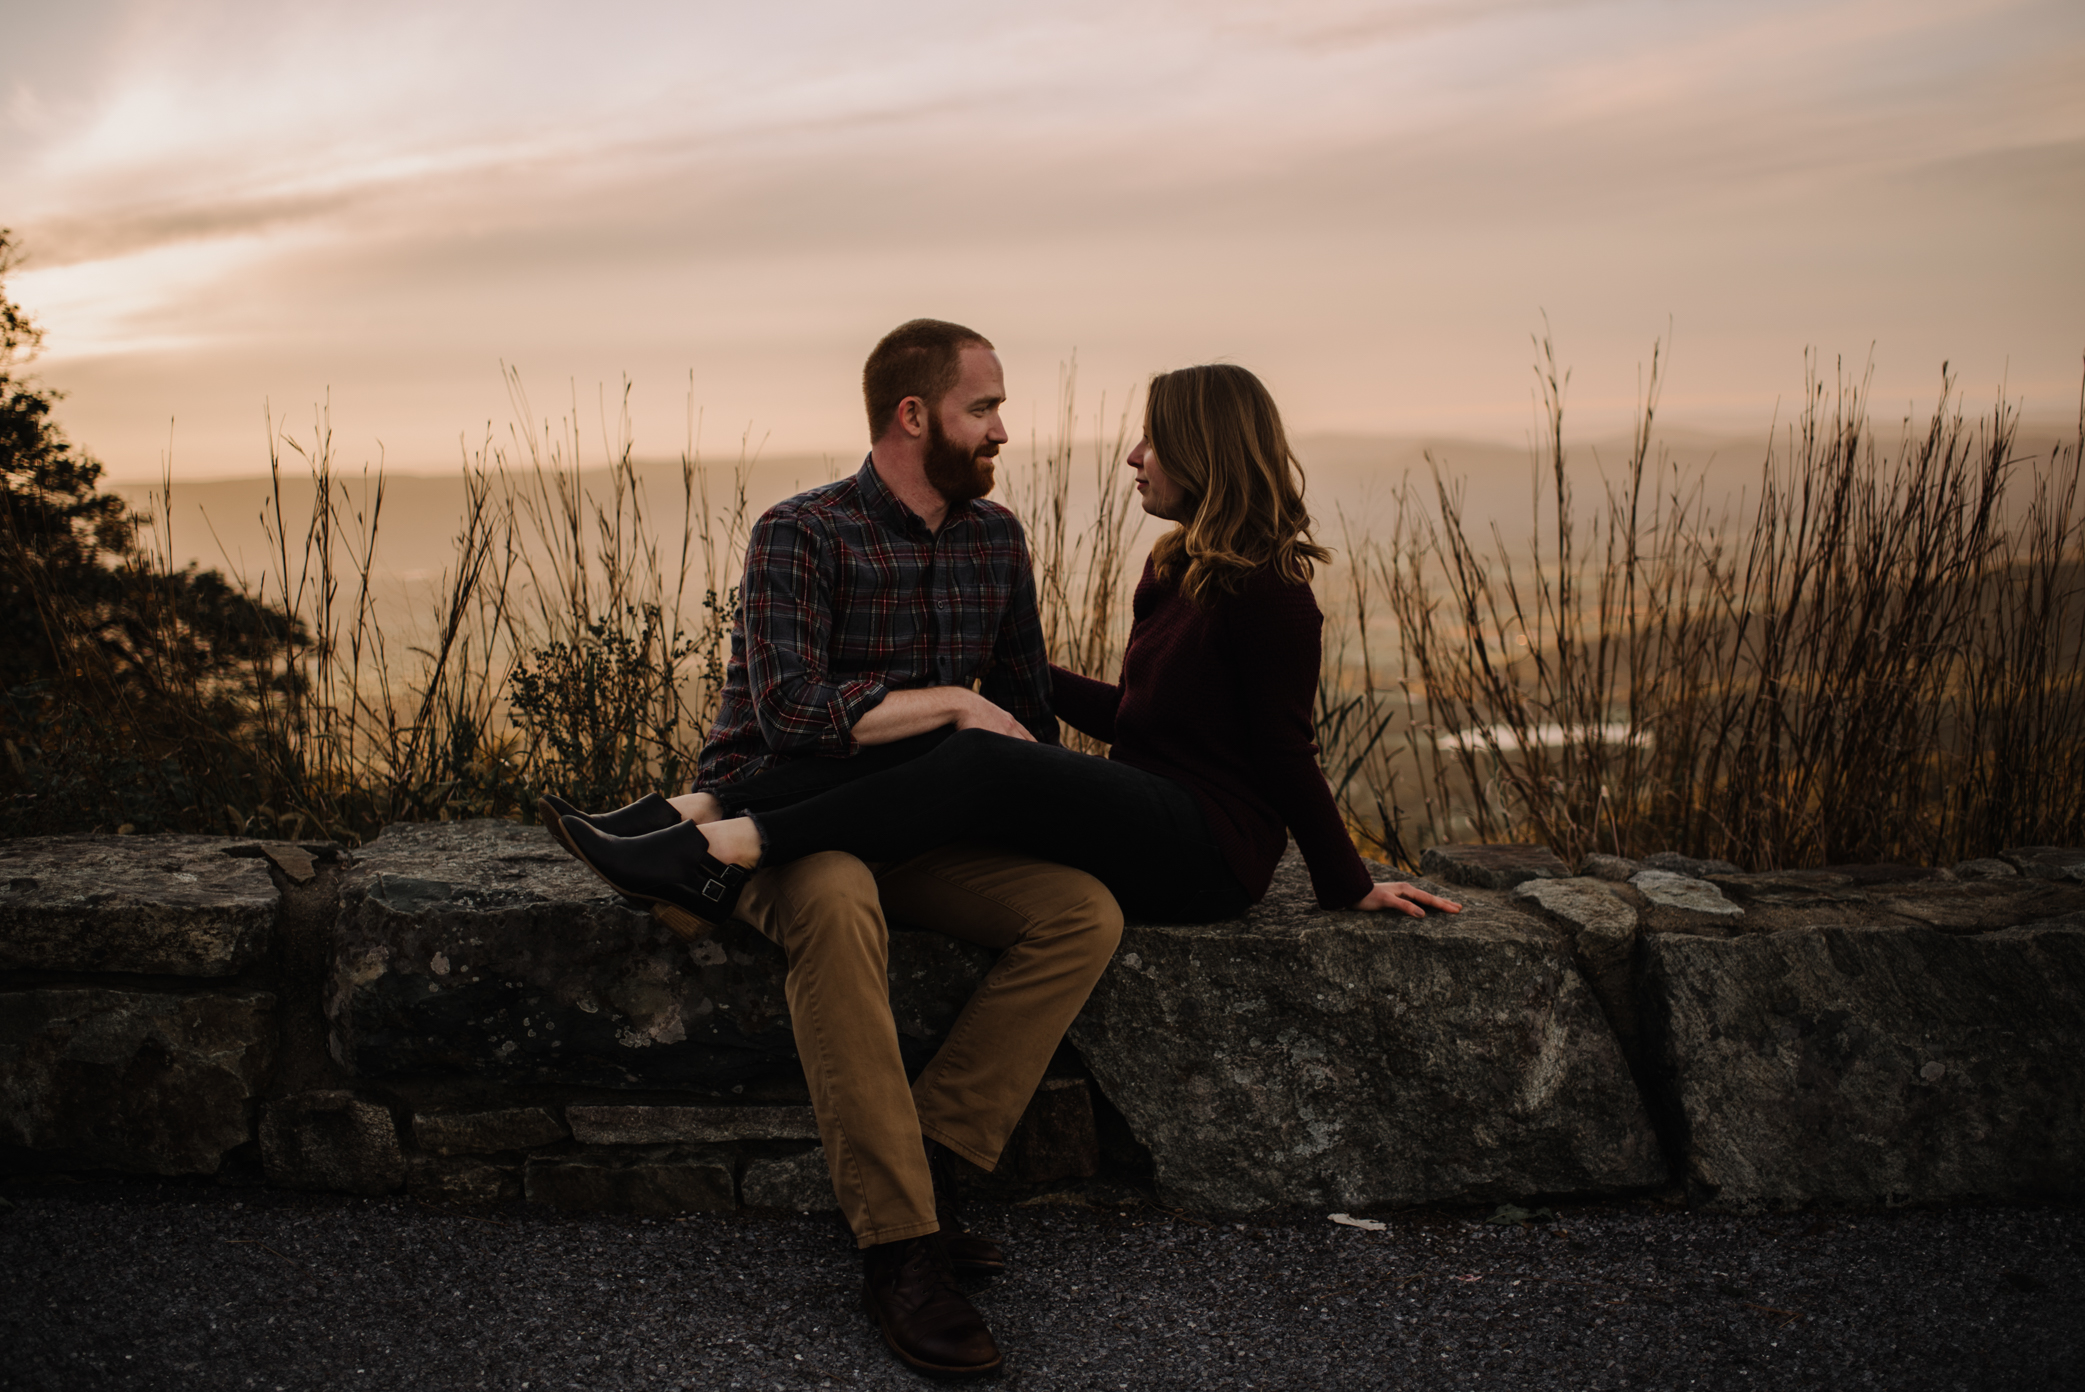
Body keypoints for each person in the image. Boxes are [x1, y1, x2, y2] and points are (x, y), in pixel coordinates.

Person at [548, 318, 1119, 1381]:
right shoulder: (800, 531)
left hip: (925, 827)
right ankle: (900, 1252)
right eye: (983, 407)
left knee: (1081, 911)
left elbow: (1030, 723)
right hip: (773, 835)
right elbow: (796, 715)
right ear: (915, 416)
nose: (1004, 428)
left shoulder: (996, 540)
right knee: (842, 896)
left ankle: (933, 1170)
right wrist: (950, 699)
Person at [563, 361, 1464, 932]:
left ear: (1202, 451)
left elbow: (1282, 752)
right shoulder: (1175, 570)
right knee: (944, 725)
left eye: (1153, 439)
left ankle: (728, 853)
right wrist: (985, 679)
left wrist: (1345, 883)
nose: (1134, 457)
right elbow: (1135, 716)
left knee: (983, 755)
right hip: (1146, 809)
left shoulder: (1269, 593)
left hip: (1206, 856)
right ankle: (685, 813)